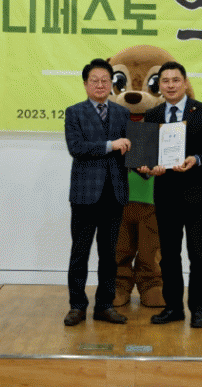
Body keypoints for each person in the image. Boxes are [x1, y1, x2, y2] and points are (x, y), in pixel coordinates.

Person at [139, 61, 202, 328]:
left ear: (185, 82)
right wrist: (148, 168)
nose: (170, 85)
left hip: (198, 195)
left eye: (175, 80)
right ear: (159, 85)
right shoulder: (153, 115)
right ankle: (173, 308)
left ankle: (198, 310)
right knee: (169, 256)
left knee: (199, 255)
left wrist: (198, 159)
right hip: (166, 196)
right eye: (165, 81)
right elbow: (142, 158)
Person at [63, 58, 131, 326]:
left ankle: (105, 305)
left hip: (114, 194)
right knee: (80, 254)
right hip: (85, 195)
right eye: (95, 80)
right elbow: (76, 148)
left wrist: (147, 165)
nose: (100, 85)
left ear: (111, 83)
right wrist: (110, 145)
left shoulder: (122, 113)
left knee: (109, 255)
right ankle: (77, 306)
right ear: (85, 84)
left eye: (105, 80)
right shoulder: (74, 113)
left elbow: (131, 151)